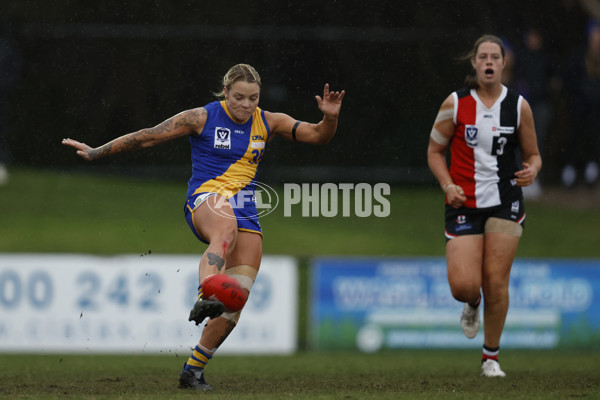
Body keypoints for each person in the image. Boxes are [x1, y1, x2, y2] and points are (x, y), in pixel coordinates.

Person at [62, 63, 345, 390]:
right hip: (207, 199)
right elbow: (149, 137)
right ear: (225, 92)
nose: (246, 104)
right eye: (238, 97)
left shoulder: (269, 121)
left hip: (246, 210)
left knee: (236, 301)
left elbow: (319, 135)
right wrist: (96, 151)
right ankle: (205, 292)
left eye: (253, 98)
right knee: (225, 230)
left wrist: (331, 116)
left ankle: (193, 370)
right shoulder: (202, 117)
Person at [427, 35, 542, 377]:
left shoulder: (519, 106)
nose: (489, 62)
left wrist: (532, 170)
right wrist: (448, 185)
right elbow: (434, 152)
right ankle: (471, 304)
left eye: (495, 56)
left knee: (496, 281)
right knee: (464, 285)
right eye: (483, 57)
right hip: (464, 201)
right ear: (474, 63)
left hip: (505, 201)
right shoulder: (456, 103)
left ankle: (490, 358)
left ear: (503, 64)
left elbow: (533, 154)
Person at [562, 20, 600, 188]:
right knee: (575, 137)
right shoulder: (578, 56)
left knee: (594, 137)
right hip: (579, 107)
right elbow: (570, 81)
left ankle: (592, 169)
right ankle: (570, 169)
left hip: (596, 109)